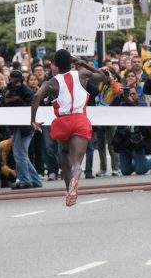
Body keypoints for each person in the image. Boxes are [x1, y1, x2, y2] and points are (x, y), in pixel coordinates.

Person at [30, 50, 106, 206]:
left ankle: (68, 190)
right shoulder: (82, 73)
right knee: (77, 161)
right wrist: (84, 63)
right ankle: (76, 179)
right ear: (71, 62)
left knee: (65, 155)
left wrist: (33, 120)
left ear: (55, 65)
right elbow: (104, 77)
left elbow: (36, 96)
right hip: (79, 119)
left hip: (63, 122)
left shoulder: (51, 82)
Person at [2, 69, 40, 189]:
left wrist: (17, 99)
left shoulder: (27, 91)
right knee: (20, 154)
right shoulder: (8, 89)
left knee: (19, 154)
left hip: (26, 126)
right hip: (15, 125)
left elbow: (31, 108)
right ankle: (35, 180)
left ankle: (25, 180)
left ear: (22, 80)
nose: (14, 82)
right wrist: (8, 95)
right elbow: (2, 103)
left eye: (16, 80)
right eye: (11, 79)